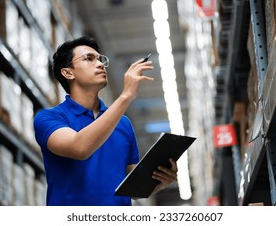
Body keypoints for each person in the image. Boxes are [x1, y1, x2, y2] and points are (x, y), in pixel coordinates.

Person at [33, 35, 178, 206]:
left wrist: (159, 182)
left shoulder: (123, 124)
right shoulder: (48, 118)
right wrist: (126, 96)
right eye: (89, 59)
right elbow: (79, 148)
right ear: (68, 72)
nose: (100, 64)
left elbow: (134, 189)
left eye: (100, 59)